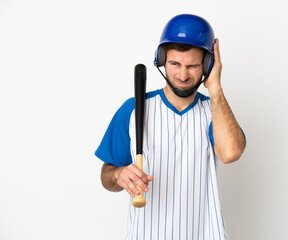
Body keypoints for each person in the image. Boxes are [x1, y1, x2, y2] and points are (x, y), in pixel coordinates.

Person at [95, 14, 246, 240]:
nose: (183, 75)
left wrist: (215, 88)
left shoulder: (214, 110)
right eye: (175, 64)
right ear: (162, 59)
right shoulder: (134, 109)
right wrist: (119, 174)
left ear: (207, 65)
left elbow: (231, 153)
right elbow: (106, 175)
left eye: (193, 66)